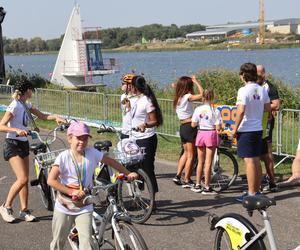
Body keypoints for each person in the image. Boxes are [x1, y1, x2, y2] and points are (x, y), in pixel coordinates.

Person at [47, 121, 138, 250]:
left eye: (85, 139)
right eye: (78, 138)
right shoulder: (64, 157)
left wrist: (128, 173)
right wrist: (71, 192)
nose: (82, 142)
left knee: (87, 243)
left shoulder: (92, 153)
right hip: (65, 206)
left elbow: (111, 162)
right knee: (58, 242)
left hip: (85, 205)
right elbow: (51, 180)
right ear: (69, 138)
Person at [0, 79, 66, 223]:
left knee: (24, 179)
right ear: (27, 90)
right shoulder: (15, 105)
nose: (33, 92)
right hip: (12, 143)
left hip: (23, 144)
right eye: (32, 89)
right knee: (22, 178)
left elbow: (43, 116)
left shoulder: (25, 104)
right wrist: (16, 130)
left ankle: (24, 210)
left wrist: (55, 117)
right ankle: (6, 206)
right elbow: (2, 125)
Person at [231, 63, 271, 202]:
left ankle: (251, 193)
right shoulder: (262, 89)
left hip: (246, 129)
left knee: (249, 162)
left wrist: (234, 129)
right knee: (256, 160)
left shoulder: (243, 90)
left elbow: (241, 111)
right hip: (258, 128)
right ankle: (257, 189)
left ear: (243, 75)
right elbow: (267, 108)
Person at [130, 75, 163, 203]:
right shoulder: (137, 99)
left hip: (147, 138)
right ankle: (138, 198)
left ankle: (152, 200)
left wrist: (145, 124)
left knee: (147, 169)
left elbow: (154, 120)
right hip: (135, 138)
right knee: (133, 168)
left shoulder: (147, 101)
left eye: (131, 86)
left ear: (134, 87)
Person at [172, 75, 203, 188]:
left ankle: (178, 175)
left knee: (185, 153)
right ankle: (187, 179)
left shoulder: (178, 98)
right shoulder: (188, 97)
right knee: (191, 155)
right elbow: (203, 95)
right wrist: (197, 81)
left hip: (183, 127)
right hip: (190, 128)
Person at [190, 89, 222, 194]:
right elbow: (218, 126)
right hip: (210, 134)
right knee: (208, 163)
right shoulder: (215, 110)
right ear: (212, 97)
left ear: (203, 97)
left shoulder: (198, 109)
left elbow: (193, 124)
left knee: (200, 161)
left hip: (201, 133)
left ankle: (198, 184)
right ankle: (207, 186)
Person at [257, 65, 280, 192]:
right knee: (256, 153)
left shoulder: (269, 87)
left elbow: (276, 105)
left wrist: (262, 106)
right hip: (255, 123)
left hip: (266, 123)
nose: (257, 76)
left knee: (267, 153)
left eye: (259, 74)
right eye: (255, 74)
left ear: (264, 74)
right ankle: (260, 179)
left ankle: (272, 181)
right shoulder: (253, 86)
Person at [120, 73, 137, 139]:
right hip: (124, 130)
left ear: (130, 85)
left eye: (123, 83)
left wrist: (129, 107)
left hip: (133, 132)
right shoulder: (123, 96)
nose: (121, 85)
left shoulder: (136, 98)